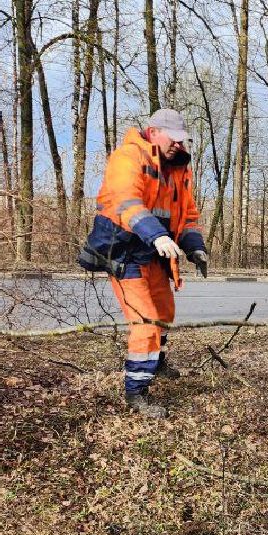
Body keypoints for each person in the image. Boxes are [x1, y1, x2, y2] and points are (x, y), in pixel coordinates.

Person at [78, 109, 210, 419]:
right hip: (124, 252)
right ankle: (136, 391)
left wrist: (196, 249)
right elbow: (126, 201)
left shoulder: (178, 171)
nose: (178, 146)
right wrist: (156, 235)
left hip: (154, 255)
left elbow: (187, 217)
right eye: (173, 140)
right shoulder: (128, 157)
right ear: (154, 132)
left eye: (182, 141)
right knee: (146, 322)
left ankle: (157, 361)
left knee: (164, 313)